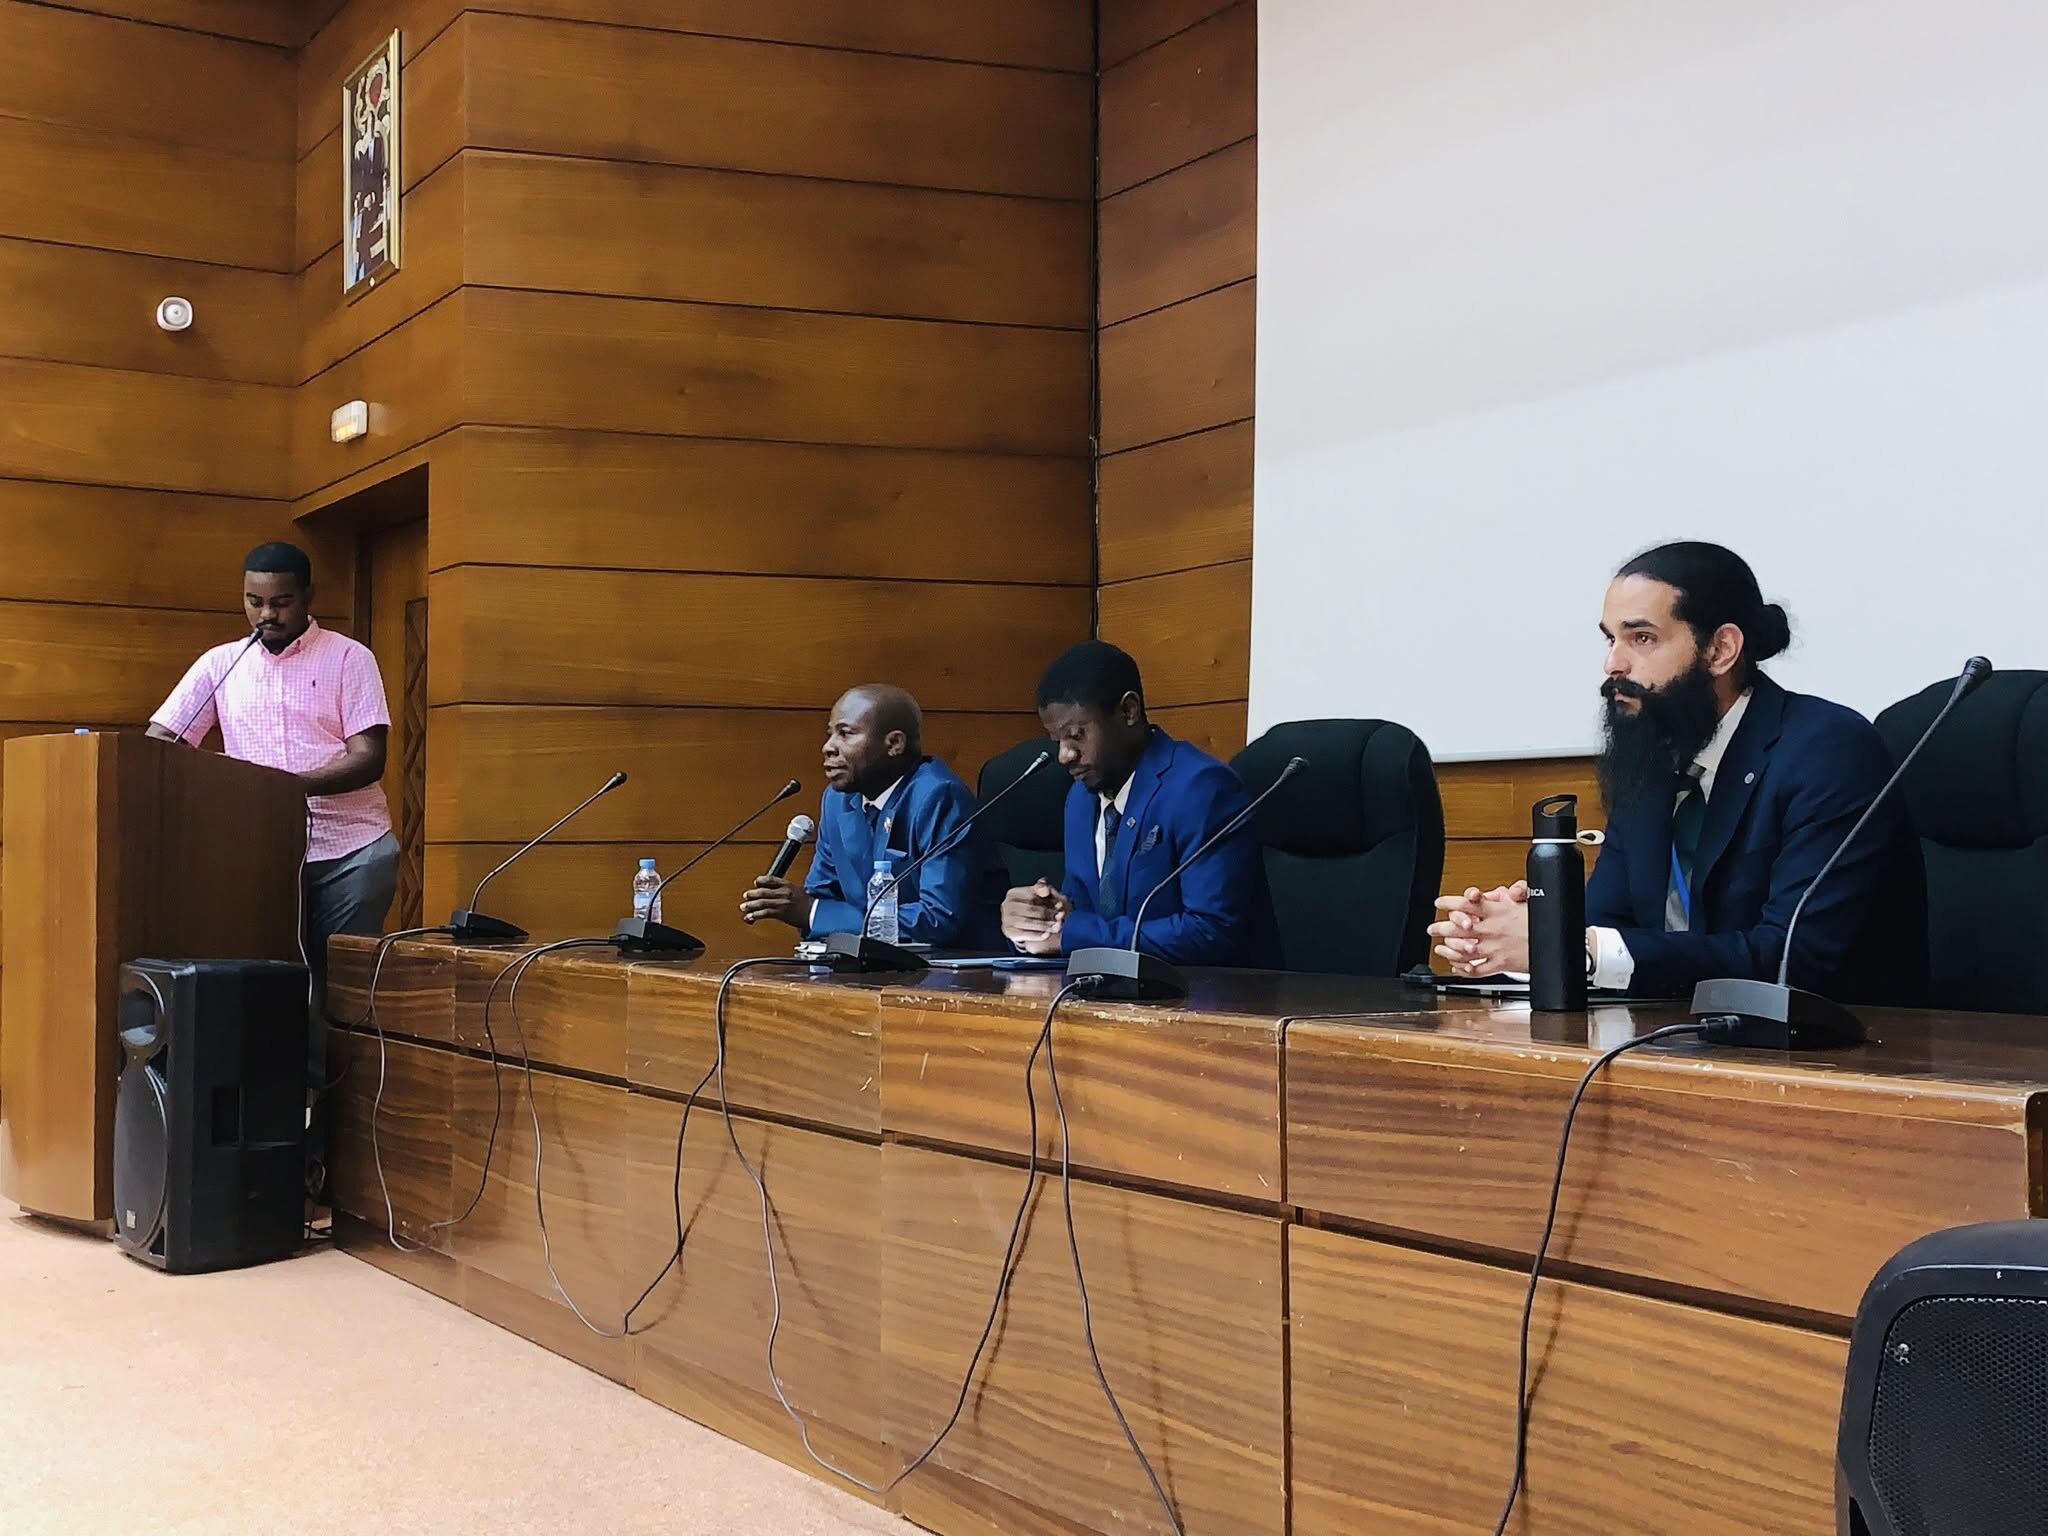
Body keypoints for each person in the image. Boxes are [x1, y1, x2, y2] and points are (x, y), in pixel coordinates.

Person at [1429, 541, 1927, 1003]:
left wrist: (1573, 946)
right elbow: (1609, 924)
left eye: (1641, 638)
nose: (1613, 664)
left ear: (1720, 650)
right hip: (1679, 1037)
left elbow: (1792, 957)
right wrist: (1524, 935)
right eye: (1610, 639)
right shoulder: (1650, 760)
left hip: (1843, 1050)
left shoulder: (1828, 750)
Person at [149, 541, 397, 1197]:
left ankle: (336, 1159)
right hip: (258, 856)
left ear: (308, 596)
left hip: (350, 854)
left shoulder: (348, 658)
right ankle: (277, 1155)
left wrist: (282, 789)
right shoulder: (221, 665)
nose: (267, 615)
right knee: (271, 997)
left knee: (338, 1002)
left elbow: (368, 756)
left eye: (281, 602)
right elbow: (162, 743)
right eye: (255, 601)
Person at [1000, 641, 1281, 968]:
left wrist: (1072, 934)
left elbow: (1211, 931)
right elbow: (1081, 918)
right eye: (1056, 741)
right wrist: (1038, 921)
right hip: (1112, 989)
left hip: (1215, 992)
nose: (1064, 755)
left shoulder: (1202, 789)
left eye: (1076, 735)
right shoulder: (1080, 799)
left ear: (1128, 711)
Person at [739, 684, 1001, 946]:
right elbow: (822, 896)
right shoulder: (837, 800)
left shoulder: (938, 796)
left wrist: (813, 913)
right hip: (873, 961)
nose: (828, 747)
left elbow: (938, 918)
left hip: (958, 964)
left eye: (845, 734)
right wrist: (811, 912)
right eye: (830, 734)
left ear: (894, 743)